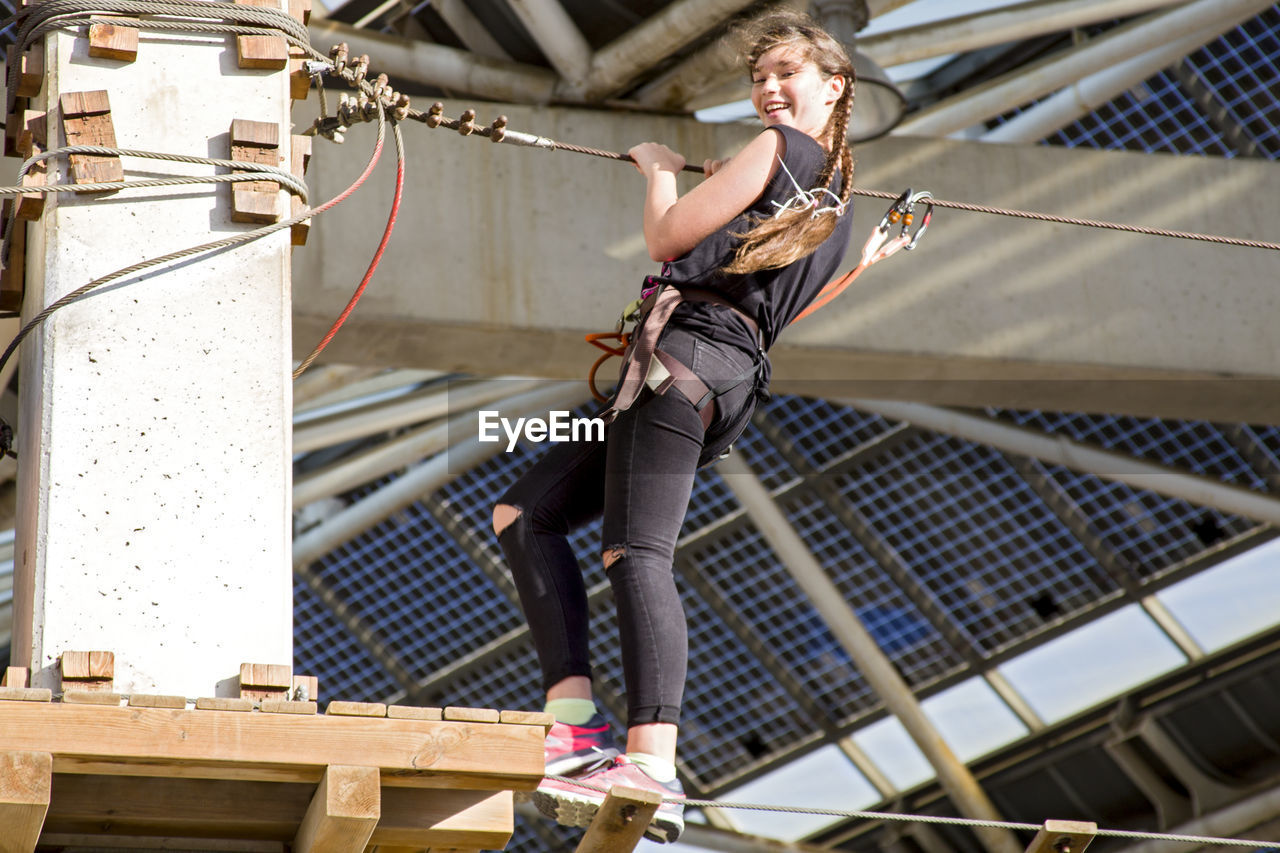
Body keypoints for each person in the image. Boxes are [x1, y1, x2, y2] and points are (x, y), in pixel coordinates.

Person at [491, 11, 857, 844]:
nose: (767, 89)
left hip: (680, 368)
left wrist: (658, 170)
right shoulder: (834, 203)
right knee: (525, 513)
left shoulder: (782, 154)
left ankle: (652, 759)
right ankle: (576, 727)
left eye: (786, 74)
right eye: (759, 78)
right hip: (692, 376)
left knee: (635, 551)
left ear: (834, 86)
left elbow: (665, 236)